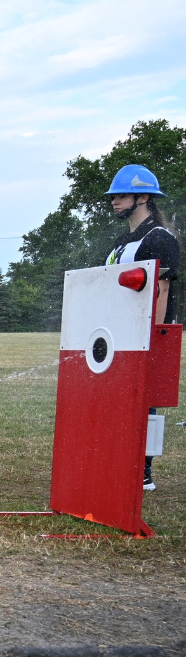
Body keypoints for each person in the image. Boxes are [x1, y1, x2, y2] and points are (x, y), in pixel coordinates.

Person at [104, 164, 179, 492]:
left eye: (121, 195)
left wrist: (153, 338)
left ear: (143, 196)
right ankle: (120, 462)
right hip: (119, 332)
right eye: (114, 197)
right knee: (119, 401)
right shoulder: (123, 243)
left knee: (144, 403)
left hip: (147, 335)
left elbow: (160, 290)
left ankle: (143, 473)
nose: (114, 202)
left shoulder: (159, 238)